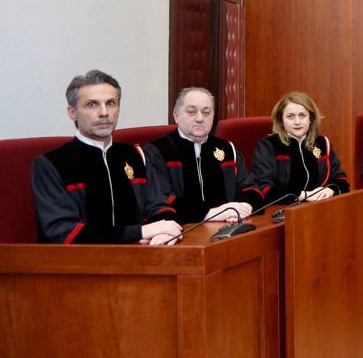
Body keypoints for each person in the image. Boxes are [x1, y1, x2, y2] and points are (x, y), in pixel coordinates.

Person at [31, 70, 182, 245]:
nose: (104, 112)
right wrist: (140, 232)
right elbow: (63, 232)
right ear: (72, 112)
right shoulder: (52, 164)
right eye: (92, 105)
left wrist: (165, 231)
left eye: (110, 103)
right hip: (79, 260)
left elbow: (158, 206)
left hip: (142, 253)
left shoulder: (135, 155)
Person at [145, 88, 266, 224]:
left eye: (206, 112)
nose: (200, 118)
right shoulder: (158, 152)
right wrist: (211, 213)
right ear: (176, 115)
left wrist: (244, 208)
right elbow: (160, 204)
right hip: (184, 230)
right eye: (191, 112)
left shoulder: (226, 149)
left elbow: (250, 188)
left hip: (230, 226)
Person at [250, 91, 350, 203]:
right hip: (283, 209)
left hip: (320, 206)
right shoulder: (269, 145)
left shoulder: (322, 143)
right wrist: (303, 195)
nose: (297, 122)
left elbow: (342, 180)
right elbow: (264, 188)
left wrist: (331, 190)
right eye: (290, 116)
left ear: (310, 118)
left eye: (302, 115)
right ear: (281, 120)